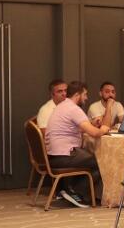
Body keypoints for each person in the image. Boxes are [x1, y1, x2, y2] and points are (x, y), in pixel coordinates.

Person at [45, 81, 113, 210]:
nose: (86, 98)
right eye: (85, 94)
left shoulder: (62, 106)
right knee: (100, 161)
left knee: (91, 160)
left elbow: (76, 128)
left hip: (54, 155)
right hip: (64, 156)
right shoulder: (74, 109)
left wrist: (92, 124)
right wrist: (104, 128)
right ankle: (75, 192)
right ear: (77, 94)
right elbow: (95, 133)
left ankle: (71, 190)